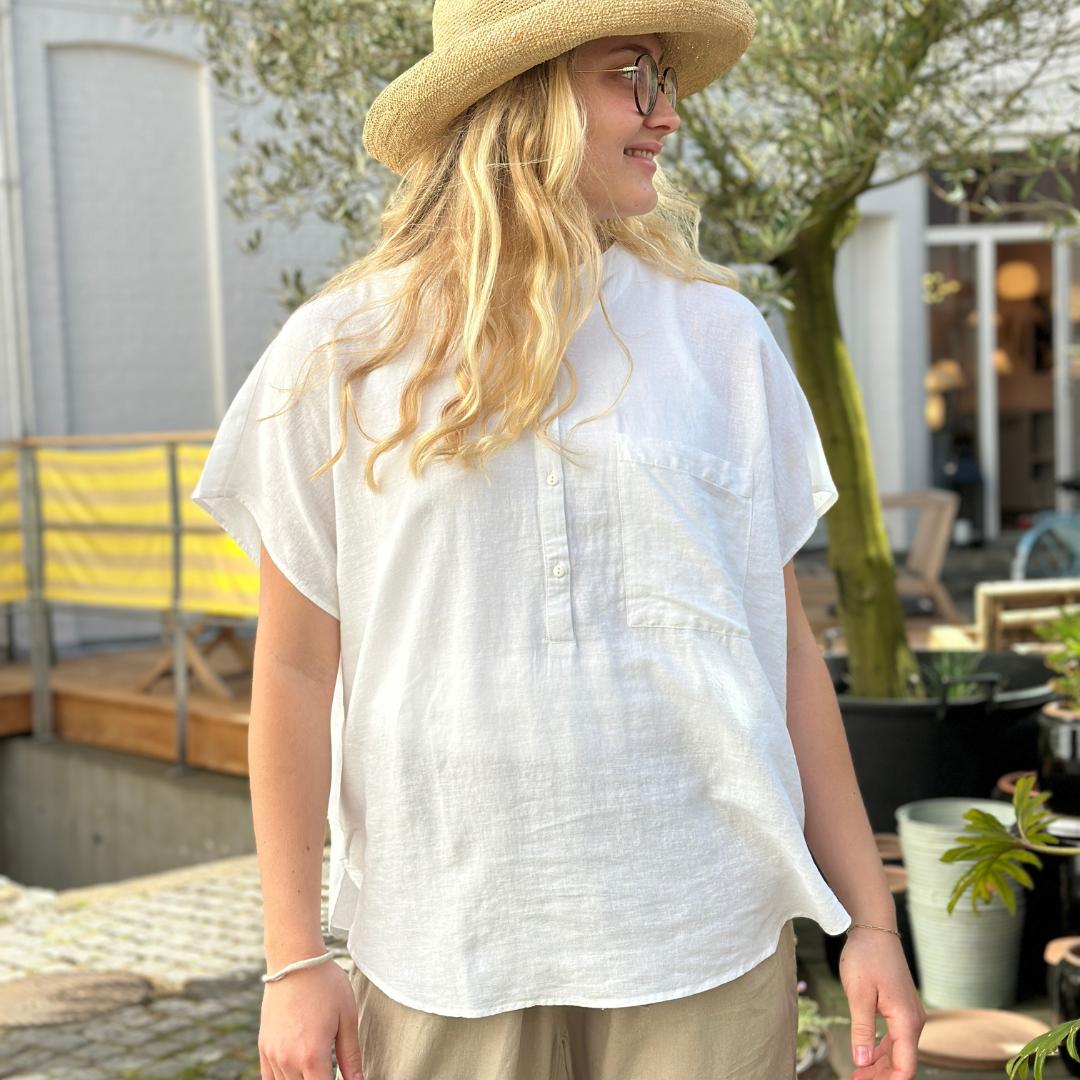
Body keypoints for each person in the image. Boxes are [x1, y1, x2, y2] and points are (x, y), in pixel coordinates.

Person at [191, 1, 927, 1078]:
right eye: (634, 75)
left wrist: (869, 920)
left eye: (665, 80)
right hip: (446, 941)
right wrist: (294, 958)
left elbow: (784, 652)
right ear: (521, 97)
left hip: (704, 929)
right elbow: (296, 671)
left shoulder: (720, 338)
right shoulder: (342, 355)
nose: (668, 115)